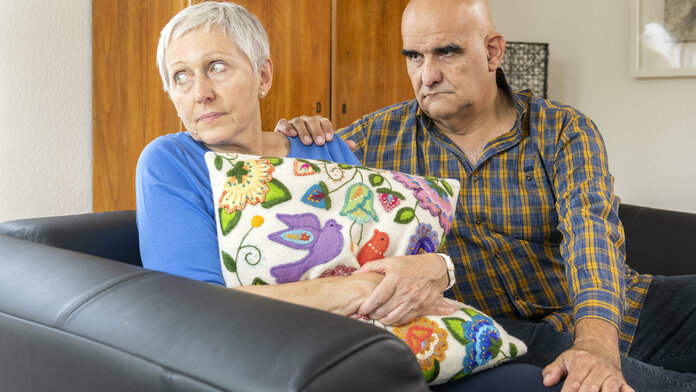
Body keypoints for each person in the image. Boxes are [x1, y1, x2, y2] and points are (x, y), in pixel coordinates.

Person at [135, 2, 561, 391]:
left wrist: (431, 266)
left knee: (528, 382)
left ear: (263, 75)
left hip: (387, 343)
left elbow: (392, 253)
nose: (200, 92)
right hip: (280, 361)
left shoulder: (322, 146)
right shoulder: (170, 161)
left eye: (217, 67)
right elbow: (193, 310)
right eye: (181, 76)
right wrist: (360, 291)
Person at [275, 0, 696, 391]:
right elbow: (277, 177)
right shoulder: (371, 141)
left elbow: (593, 238)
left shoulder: (563, 129)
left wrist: (598, 343)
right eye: (414, 57)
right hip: (511, 332)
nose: (427, 75)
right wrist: (293, 139)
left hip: (617, 305)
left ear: (493, 52)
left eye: (447, 52)